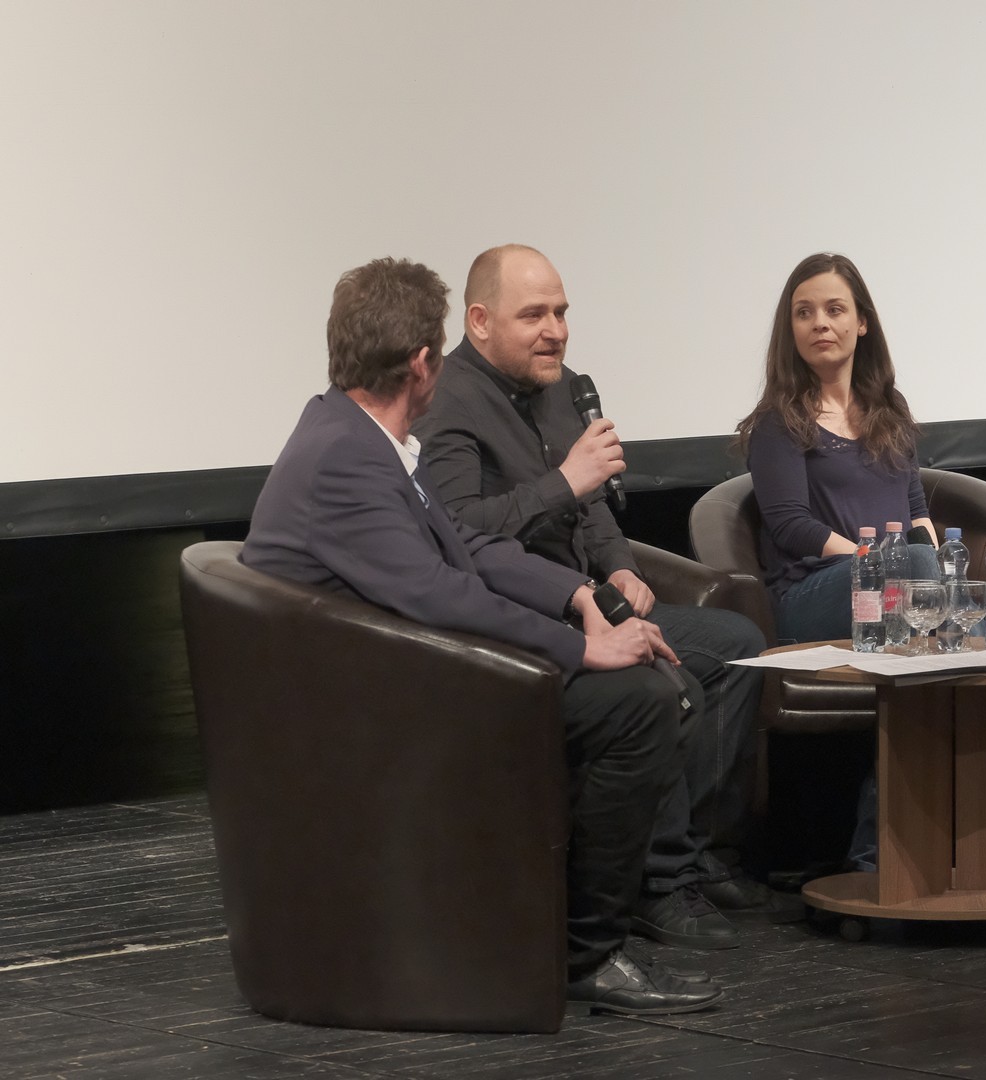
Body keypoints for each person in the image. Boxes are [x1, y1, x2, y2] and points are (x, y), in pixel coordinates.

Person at [242, 256, 722, 1016]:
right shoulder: (346, 458)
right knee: (635, 704)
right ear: (422, 364)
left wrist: (577, 596)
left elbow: (466, 546)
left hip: (406, 677)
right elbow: (437, 592)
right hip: (372, 710)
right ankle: (587, 954)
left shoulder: (358, 434)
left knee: (639, 687)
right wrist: (582, 649)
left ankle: (568, 930)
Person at [411, 245, 776, 946]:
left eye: (561, 312)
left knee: (737, 648)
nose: (555, 331)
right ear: (480, 321)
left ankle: (698, 855)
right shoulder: (449, 401)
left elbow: (595, 506)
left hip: (590, 595)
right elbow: (456, 532)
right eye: (534, 316)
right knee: (661, 673)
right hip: (524, 611)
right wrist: (563, 484)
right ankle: (656, 883)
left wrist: (619, 567)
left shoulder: (564, 388)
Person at [734, 252, 939, 869]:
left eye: (834, 309)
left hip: (893, 590)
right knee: (915, 574)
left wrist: (941, 576)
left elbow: (917, 509)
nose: (819, 323)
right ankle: (879, 856)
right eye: (804, 313)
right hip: (811, 596)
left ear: (862, 322)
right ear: (790, 330)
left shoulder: (889, 410)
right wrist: (879, 561)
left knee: (941, 642)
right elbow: (790, 525)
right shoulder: (778, 423)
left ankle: (901, 847)